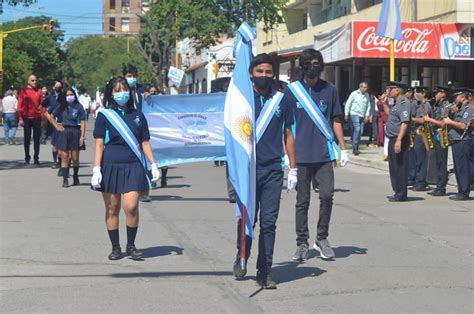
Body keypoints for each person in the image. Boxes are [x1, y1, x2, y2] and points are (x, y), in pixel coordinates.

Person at [232, 53, 297, 289]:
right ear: (251, 73)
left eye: (268, 72)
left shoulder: (282, 100)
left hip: (272, 170)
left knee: (269, 222)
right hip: (247, 170)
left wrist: (293, 167)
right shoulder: (242, 100)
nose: (264, 76)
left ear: (273, 74)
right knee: (247, 219)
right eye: (259, 72)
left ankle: (265, 270)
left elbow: (288, 134)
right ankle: (242, 256)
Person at [284, 48, 349, 262]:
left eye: (317, 62)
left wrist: (342, 147)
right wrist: (287, 156)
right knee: (302, 201)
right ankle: (302, 243)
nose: (314, 66)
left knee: (327, 196)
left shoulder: (329, 90)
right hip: (300, 156)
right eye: (310, 63)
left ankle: (322, 239)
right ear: (303, 66)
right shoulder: (292, 91)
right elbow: (284, 126)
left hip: (323, 154)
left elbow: (336, 119)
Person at [91, 77, 160, 260]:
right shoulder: (104, 116)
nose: (122, 93)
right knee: (112, 208)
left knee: (131, 207)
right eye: (117, 90)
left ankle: (131, 245)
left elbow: (144, 142)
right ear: (111, 95)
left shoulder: (138, 115)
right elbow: (99, 144)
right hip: (110, 165)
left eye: (125, 89)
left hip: (133, 165)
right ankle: (116, 247)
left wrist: (153, 164)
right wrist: (96, 169)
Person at [45, 86, 86, 187]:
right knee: (64, 156)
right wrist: (56, 125)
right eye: (67, 95)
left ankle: (75, 177)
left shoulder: (79, 107)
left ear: (74, 95)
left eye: (71, 95)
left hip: (75, 132)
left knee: (75, 158)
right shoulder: (61, 106)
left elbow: (83, 121)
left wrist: (82, 136)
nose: (69, 97)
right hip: (64, 132)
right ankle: (65, 179)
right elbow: (49, 116)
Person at [443, 88, 473, 201]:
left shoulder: (469, 109)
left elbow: (464, 126)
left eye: (457, 97)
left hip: (463, 141)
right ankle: (461, 190)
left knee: (463, 168)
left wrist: (450, 122)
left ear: (462, 97)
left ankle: (464, 192)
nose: (455, 99)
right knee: (458, 168)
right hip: (456, 141)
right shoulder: (459, 109)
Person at [384, 82, 411, 202]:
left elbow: (405, 122)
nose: (389, 91)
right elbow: (389, 114)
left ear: (398, 91)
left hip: (398, 138)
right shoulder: (397, 104)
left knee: (400, 167)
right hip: (392, 138)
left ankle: (401, 194)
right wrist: (384, 102)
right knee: (393, 167)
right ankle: (397, 191)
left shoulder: (404, 103)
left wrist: (399, 140)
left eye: (391, 89)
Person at [424, 86, 451, 197]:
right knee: (437, 163)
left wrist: (429, 119)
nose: (435, 95)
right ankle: (439, 185)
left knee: (441, 162)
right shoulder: (437, 104)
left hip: (442, 136)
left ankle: (441, 187)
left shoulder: (446, 105)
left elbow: (443, 123)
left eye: (437, 93)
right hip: (436, 135)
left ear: (442, 93)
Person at [17, 74, 44, 165]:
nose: (35, 82)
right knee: (27, 139)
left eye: (35, 80)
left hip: (37, 118)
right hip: (27, 118)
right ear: (28, 81)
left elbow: (43, 105)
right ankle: (27, 158)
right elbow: (19, 106)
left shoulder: (39, 91)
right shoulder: (23, 91)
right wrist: (20, 118)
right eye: (32, 80)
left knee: (37, 139)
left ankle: (36, 158)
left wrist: (43, 118)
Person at [410, 86, 433, 191]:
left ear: (424, 94)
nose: (417, 94)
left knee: (421, 160)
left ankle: (421, 182)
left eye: (419, 92)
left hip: (422, 134)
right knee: (416, 159)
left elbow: (424, 120)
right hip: (416, 133)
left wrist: (411, 119)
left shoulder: (426, 105)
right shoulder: (418, 104)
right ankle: (416, 180)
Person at [344, 81, 370, 155]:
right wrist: (346, 114)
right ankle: (355, 148)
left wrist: (367, 115)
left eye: (366, 87)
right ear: (360, 87)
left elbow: (368, 105)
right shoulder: (354, 94)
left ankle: (356, 147)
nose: (365, 89)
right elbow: (348, 103)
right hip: (354, 113)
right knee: (357, 129)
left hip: (362, 115)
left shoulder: (367, 95)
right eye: (364, 87)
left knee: (360, 131)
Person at [41, 81, 63, 169]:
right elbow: (41, 107)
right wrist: (46, 115)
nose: (58, 87)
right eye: (57, 85)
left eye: (60, 85)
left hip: (63, 122)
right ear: (53, 87)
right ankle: (55, 162)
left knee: (62, 144)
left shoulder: (64, 97)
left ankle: (61, 161)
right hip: (53, 124)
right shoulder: (50, 98)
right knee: (54, 144)